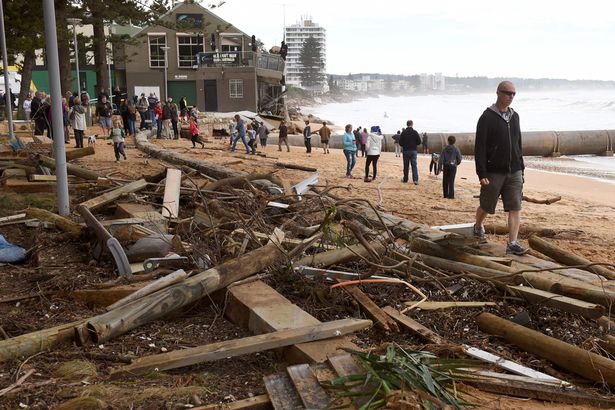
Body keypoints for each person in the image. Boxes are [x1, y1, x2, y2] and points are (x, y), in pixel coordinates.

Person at [474, 81, 527, 255]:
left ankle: (512, 243)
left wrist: (522, 168)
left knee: (515, 206)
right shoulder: (487, 117)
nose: (511, 96)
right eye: (507, 93)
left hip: (515, 170)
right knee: (487, 205)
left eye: (513, 94)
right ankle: (478, 225)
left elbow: (518, 144)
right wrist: (481, 173)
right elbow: (479, 147)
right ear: (498, 93)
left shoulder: (515, 116)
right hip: (493, 171)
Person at [399, 120, 422, 185]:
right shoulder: (415, 132)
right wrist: (414, 144)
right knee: (414, 165)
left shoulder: (403, 132)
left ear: (407, 124)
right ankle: (415, 180)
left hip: (406, 150)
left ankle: (405, 179)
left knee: (406, 166)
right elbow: (419, 142)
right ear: (412, 124)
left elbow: (400, 143)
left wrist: (404, 145)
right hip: (413, 151)